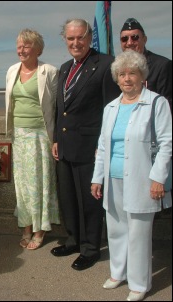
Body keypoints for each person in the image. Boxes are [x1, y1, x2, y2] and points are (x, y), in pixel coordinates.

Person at [91, 50, 172, 301]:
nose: (127, 79)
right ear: (116, 78)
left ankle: (139, 283)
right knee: (115, 229)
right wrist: (97, 177)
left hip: (141, 178)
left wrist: (158, 177)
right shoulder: (111, 107)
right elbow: (103, 145)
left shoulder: (156, 103)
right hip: (113, 178)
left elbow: (167, 143)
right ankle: (118, 272)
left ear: (142, 76)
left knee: (138, 232)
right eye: (122, 74)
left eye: (132, 73)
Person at [51, 19, 120, 270]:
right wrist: (57, 138)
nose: (75, 43)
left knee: (90, 201)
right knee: (68, 197)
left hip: (90, 146)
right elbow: (61, 107)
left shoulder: (105, 64)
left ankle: (90, 248)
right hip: (66, 145)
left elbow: (110, 109)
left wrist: (102, 146)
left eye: (80, 37)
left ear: (89, 37)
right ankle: (73, 240)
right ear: (65, 40)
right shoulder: (64, 67)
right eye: (70, 38)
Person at [5, 28, 60, 250]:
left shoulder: (49, 71)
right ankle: (26, 227)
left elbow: (57, 105)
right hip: (19, 135)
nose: (21, 49)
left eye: (26, 45)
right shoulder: (11, 71)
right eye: (19, 45)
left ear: (37, 49)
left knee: (40, 183)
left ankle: (40, 230)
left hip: (40, 135)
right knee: (22, 185)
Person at [119, 18, 172, 109]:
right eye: (124, 39)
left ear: (145, 39)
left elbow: (168, 105)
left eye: (135, 37)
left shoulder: (162, 65)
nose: (129, 42)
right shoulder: (116, 68)